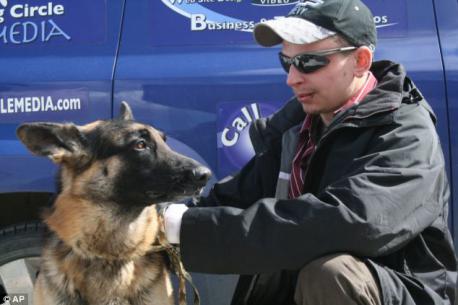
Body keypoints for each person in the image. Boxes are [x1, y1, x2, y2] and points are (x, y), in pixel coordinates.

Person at [162, 0, 457, 304]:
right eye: (286, 62)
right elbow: (230, 199)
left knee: (331, 273)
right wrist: (157, 225)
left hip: (398, 293)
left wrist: (187, 229)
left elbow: (349, 222)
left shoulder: (405, 132)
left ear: (360, 60)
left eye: (310, 63)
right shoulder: (295, 130)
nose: (292, 78)